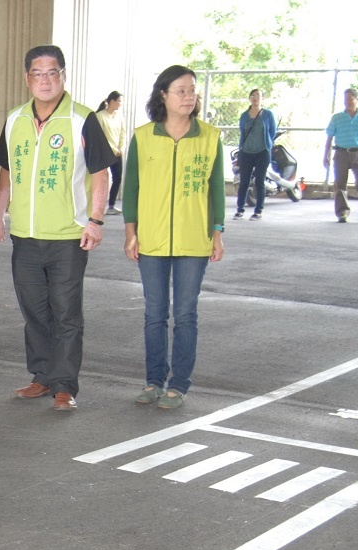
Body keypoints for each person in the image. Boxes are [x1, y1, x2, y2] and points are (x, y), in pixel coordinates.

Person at [0, 44, 115, 412]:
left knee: (65, 312)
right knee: (34, 311)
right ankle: (42, 377)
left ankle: (65, 384)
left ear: (63, 76)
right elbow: (6, 171)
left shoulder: (82, 119)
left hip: (67, 236)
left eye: (52, 73)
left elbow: (100, 173)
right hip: (25, 236)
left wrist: (95, 220)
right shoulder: (15, 119)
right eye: (37, 73)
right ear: (27, 78)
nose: (45, 80)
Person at [123, 65, 225, 410]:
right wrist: (130, 232)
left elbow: (216, 190)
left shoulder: (210, 137)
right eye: (180, 90)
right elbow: (132, 187)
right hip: (151, 238)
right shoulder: (144, 136)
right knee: (154, 313)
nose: (188, 96)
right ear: (163, 95)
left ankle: (178, 384)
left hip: (194, 240)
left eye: (192, 90)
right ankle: (153, 381)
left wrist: (218, 232)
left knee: (185, 314)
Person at [323, 88, 358, 223]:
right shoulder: (337, 117)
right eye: (345, 99)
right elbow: (329, 138)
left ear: (356, 100)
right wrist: (326, 155)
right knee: (340, 184)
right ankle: (342, 212)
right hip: (341, 153)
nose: (347, 102)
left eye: (350, 99)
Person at [234, 88, 276, 221]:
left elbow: (272, 132)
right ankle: (240, 209)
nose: (255, 98)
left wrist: (266, 145)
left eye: (258, 96)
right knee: (244, 182)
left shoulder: (268, 114)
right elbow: (242, 131)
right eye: (252, 95)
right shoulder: (244, 115)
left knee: (259, 181)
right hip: (246, 152)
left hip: (262, 152)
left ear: (262, 98)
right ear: (249, 98)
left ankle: (258, 211)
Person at [96, 90, 126, 215]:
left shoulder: (119, 116)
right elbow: (99, 135)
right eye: (119, 101)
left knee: (117, 178)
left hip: (117, 153)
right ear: (112, 101)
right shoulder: (100, 116)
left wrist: (121, 148)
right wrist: (113, 149)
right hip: (104, 152)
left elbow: (123, 133)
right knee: (100, 179)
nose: (120, 104)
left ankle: (112, 206)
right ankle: (97, 206)